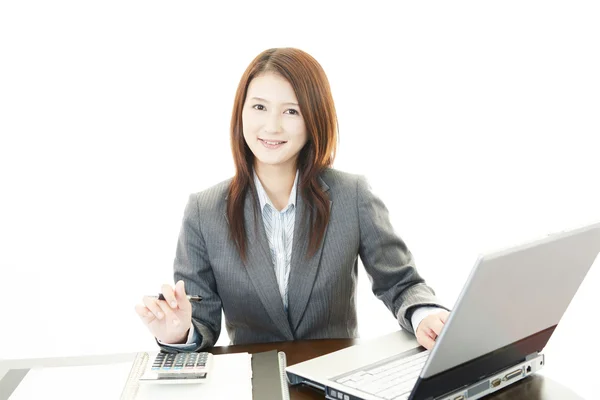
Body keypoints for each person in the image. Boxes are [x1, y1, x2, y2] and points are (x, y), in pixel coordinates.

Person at [135, 47, 450, 353]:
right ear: (240, 112)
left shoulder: (352, 195)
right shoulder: (204, 211)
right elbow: (200, 320)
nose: (272, 126)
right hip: (256, 382)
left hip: (334, 379)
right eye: (259, 107)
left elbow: (400, 283)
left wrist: (425, 316)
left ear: (314, 118)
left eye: (291, 111)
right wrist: (180, 333)